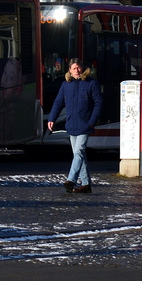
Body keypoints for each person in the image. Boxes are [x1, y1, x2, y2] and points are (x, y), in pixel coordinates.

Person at [46, 58, 103, 194]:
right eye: (74, 68)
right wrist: (52, 118)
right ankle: (86, 184)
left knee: (78, 152)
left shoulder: (91, 83)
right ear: (69, 70)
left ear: (83, 68)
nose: (77, 71)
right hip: (71, 123)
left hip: (85, 124)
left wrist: (92, 121)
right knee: (79, 154)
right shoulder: (66, 85)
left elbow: (98, 103)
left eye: (79, 68)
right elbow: (58, 103)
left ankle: (71, 180)